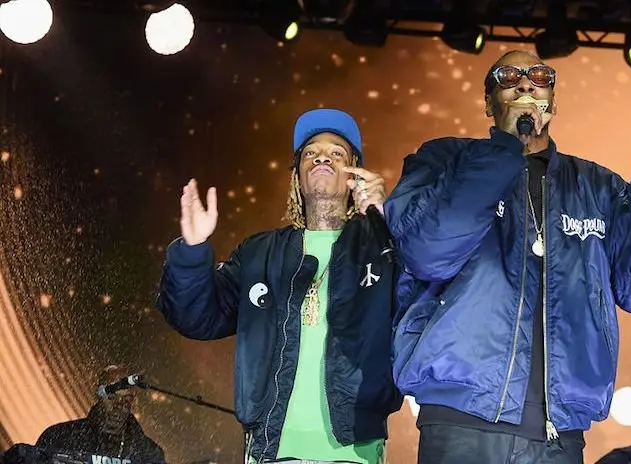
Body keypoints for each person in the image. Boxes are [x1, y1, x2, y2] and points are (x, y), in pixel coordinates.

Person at [384, 49, 631, 464]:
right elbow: (429, 251)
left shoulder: (595, 187)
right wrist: (504, 147)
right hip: (462, 419)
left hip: (559, 433)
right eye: (508, 76)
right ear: (488, 103)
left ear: (553, 101)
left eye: (538, 76)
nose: (524, 83)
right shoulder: (446, 160)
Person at [155, 108, 402, 464]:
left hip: (356, 452)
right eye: (310, 153)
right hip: (272, 450)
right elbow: (195, 317)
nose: (322, 157)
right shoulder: (260, 254)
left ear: (355, 175)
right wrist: (192, 252)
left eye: (337, 152)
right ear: (297, 178)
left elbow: (428, 288)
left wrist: (385, 215)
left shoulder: (383, 246)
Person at [1, 365, 164, 464]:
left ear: (133, 401)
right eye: (112, 398)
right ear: (98, 396)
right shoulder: (59, 437)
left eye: (126, 400)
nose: (118, 406)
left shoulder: (149, 452)